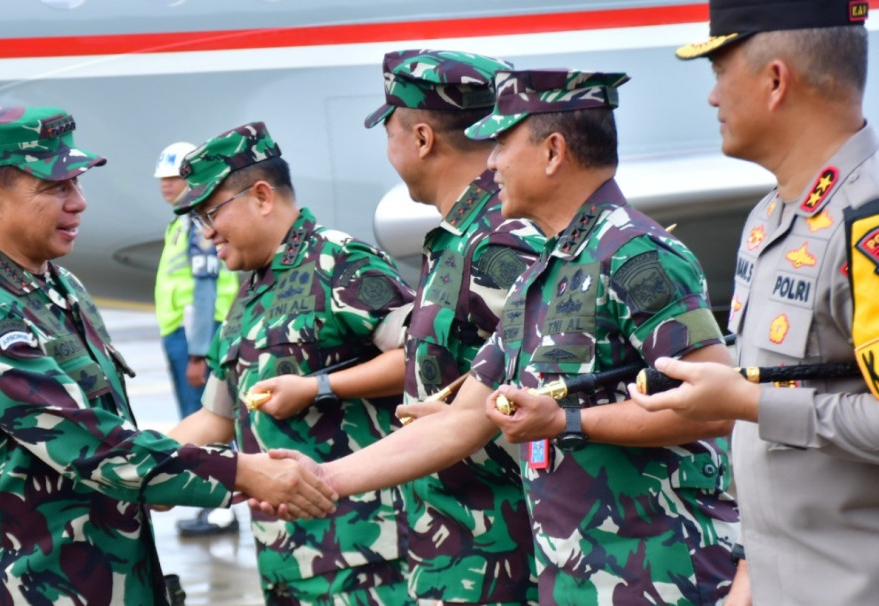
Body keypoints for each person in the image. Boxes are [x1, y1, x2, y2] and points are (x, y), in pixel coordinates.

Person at [265, 69, 741, 605]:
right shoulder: (543, 272)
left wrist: (568, 421)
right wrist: (322, 476)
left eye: (503, 143)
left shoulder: (638, 255)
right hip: (575, 581)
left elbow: (715, 405)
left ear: (553, 151)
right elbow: (463, 420)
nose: (490, 162)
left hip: (665, 574)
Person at [0, 106, 336, 605]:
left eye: (77, 184)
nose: (78, 203)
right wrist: (246, 473)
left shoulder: (57, 287)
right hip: (23, 587)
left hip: (101, 577)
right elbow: (93, 446)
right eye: (56, 188)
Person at [250, 49, 543, 605]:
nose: (388, 150)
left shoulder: (497, 243)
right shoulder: (459, 240)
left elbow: (529, 398)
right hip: (458, 550)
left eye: (389, 132)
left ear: (423, 138)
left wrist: (322, 476)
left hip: (502, 558)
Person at [629, 1, 879, 603]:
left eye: (719, 71)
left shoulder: (867, 221)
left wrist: (745, 401)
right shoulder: (769, 217)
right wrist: (750, 575)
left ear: (775, 81)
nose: (713, 98)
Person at [165, 121, 415, 605]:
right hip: (283, 559)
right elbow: (215, 418)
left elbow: (422, 363)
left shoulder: (339, 263)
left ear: (262, 196)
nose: (206, 231)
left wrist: (319, 387)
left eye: (211, 213)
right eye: (197, 219)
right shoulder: (247, 294)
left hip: (365, 555)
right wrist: (136, 466)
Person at [153, 140, 241, 536]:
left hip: (195, 339)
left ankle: (220, 507)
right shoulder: (180, 222)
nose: (165, 185)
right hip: (184, 337)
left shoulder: (193, 224)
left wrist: (198, 352)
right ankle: (210, 505)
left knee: (206, 422)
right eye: (162, 179)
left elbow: (204, 290)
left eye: (172, 178)